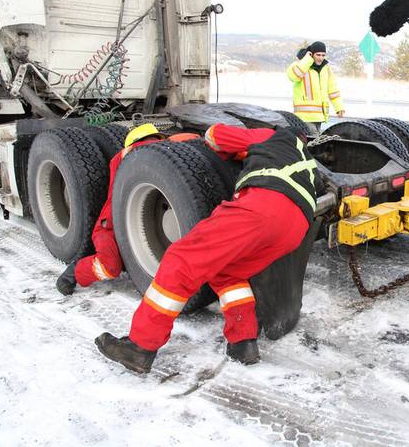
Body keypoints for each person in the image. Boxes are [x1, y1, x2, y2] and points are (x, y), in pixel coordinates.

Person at [95, 124, 320, 372]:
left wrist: (218, 146)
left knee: (181, 261)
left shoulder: (269, 136)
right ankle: (243, 342)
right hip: (296, 227)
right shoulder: (303, 157)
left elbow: (216, 135)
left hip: (263, 208)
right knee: (229, 272)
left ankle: (139, 347)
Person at [55, 124, 198, 296]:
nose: (154, 143)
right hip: (108, 229)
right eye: (151, 140)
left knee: (114, 262)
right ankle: (73, 272)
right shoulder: (126, 156)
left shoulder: (155, 153)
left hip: (124, 230)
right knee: (109, 266)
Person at [286, 41, 344, 134]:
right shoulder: (299, 64)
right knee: (313, 144)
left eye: (323, 55)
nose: (321, 58)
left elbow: (333, 89)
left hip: (320, 116)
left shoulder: (326, 68)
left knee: (312, 145)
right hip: (304, 117)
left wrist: (339, 107)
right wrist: (307, 60)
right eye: (318, 55)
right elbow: (293, 76)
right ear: (311, 54)